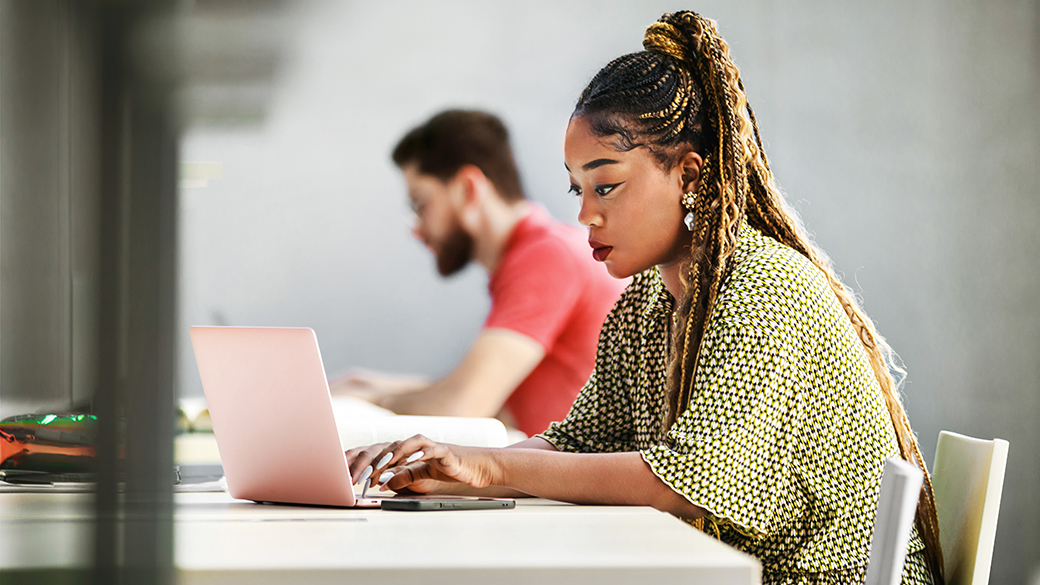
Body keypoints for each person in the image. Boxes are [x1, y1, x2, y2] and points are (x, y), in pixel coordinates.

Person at [344, 12, 943, 584]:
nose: (584, 213)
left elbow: (687, 482)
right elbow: (577, 442)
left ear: (688, 174)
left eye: (607, 185)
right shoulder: (645, 304)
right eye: (577, 187)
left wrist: (490, 465)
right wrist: (441, 468)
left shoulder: (766, 287)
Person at [331, 110, 627, 438]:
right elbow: (492, 399)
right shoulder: (545, 252)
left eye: (420, 204)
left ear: (468, 188)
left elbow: (460, 408)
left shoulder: (547, 257)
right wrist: (366, 385)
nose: (416, 230)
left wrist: (368, 398)